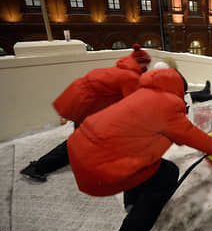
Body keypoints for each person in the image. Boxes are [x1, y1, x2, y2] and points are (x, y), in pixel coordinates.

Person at [66, 59, 212, 231]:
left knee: (145, 164)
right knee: (166, 174)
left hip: (84, 149)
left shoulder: (142, 92)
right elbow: (189, 134)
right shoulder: (166, 103)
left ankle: (134, 204)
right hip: (99, 162)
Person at [20, 44, 151, 182]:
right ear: (142, 64)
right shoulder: (129, 76)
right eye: (146, 65)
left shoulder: (118, 70)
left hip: (82, 105)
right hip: (90, 110)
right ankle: (39, 167)